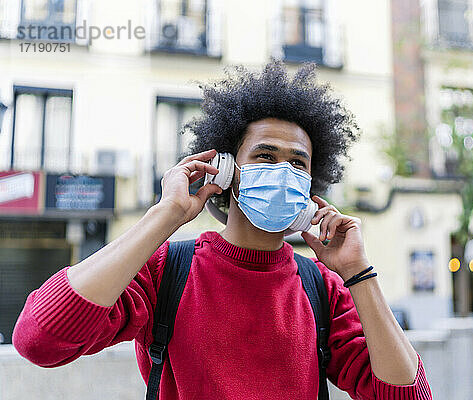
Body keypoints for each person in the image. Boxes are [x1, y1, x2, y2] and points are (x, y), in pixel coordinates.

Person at [12, 61, 432, 399]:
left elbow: (406, 394)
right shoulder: (165, 272)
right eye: (265, 155)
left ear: (312, 183)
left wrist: (358, 272)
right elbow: (39, 340)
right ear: (229, 170)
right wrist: (166, 214)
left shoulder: (321, 288)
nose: (282, 172)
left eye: (297, 164)